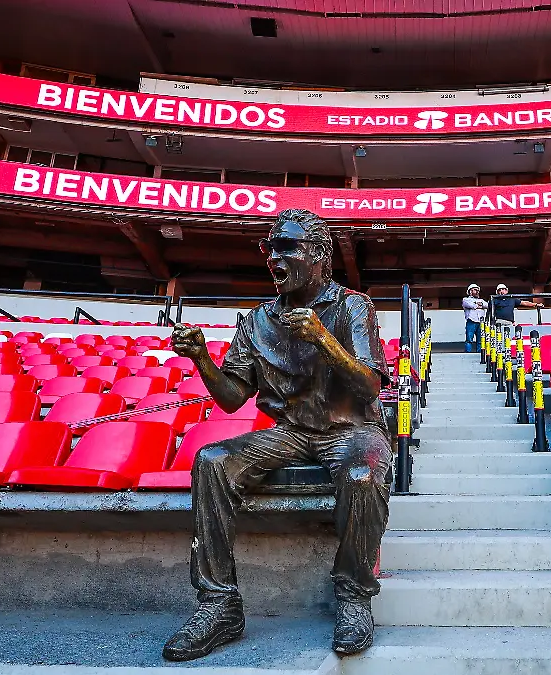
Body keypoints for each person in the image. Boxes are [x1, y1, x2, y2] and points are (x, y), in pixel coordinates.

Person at [164, 209, 391, 661]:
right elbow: (232, 397)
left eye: (287, 247)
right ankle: (219, 604)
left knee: (363, 473)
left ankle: (353, 595)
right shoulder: (256, 321)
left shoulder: (352, 306)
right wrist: (201, 360)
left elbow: (369, 385)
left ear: (321, 256)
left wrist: (323, 338)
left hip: (352, 429)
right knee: (212, 461)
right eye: (271, 249)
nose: (274, 258)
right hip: (290, 432)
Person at [462, 283, 487, 352]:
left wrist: (478, 304)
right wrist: (478, 305)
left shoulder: (481, 300)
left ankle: (480, 354)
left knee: (480, 340)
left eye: (478, 290)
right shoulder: (465, 299)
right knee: (469, 339)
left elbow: (487, 305)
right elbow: (471, 305)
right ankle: (468, 353)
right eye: (475, 290)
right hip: (471, 321)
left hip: (481, 322)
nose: (477, 292)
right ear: (470, 291)